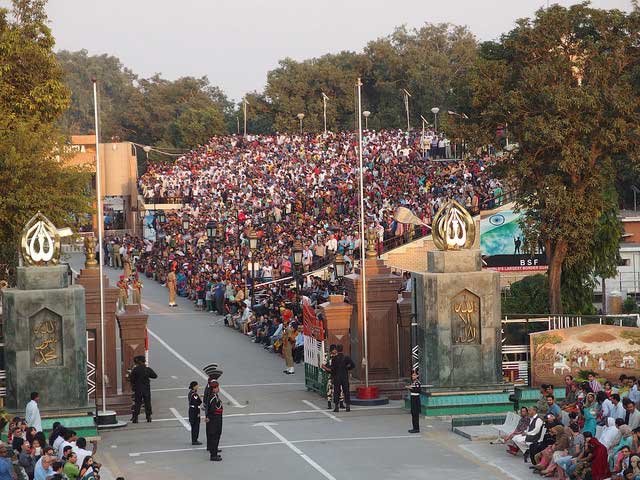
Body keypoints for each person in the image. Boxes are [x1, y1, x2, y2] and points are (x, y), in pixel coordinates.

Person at [129, 355, 158, 423]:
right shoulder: (147, 369)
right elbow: (154, 376)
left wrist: (133, 384)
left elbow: (131, 379)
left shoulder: (135, 370)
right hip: (146, 389)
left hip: (138, 389)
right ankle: (148, 417)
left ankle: (135, 418)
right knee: (147, 403)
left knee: (137, 403)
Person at [330, 344, 355, 413]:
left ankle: (336, 407)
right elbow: (353, 365)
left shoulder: (334, 358)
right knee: (346, 391)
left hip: (337, 377)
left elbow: (332, 369)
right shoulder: (347, 357)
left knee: (337, 391)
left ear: (337, 350)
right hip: (344, 376)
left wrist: (332, 378)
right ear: (342, 349)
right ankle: (347, 406)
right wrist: (347, 368)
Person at [205, 380, 223, 462]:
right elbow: (212, 410)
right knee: (215, 437)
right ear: (214, 388)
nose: (218, 389)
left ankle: (214, 452)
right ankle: (213, 455)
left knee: (216, 436)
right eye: (217, 387)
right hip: (215, 419)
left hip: (216, 419)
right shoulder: (213, 397)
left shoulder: (214, 396)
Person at [407, 369, 421, 434]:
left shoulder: (417, 383)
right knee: (413, 413)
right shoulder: (413, 382)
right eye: (412, 375)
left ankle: (416, 428)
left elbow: (418, 390)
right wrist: (410, 388)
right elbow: (412, 390)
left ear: (417, 376)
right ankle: (414, 427)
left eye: (414, 375)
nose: (413, 376)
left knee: (415, 414)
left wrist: (410, 388)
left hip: (416, 398)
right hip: (413, 398)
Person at [188, 381, 203, 445]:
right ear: (194, 387)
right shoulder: (194, 394)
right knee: (196, 426)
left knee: (193, 425)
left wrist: (199, 395)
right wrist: (198, 413)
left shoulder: (191, 393)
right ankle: (194, 440)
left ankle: (194, 439)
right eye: (197, 385)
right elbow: (198, 402)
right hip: (195, 411)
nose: (198, 387)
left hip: (192, 410)